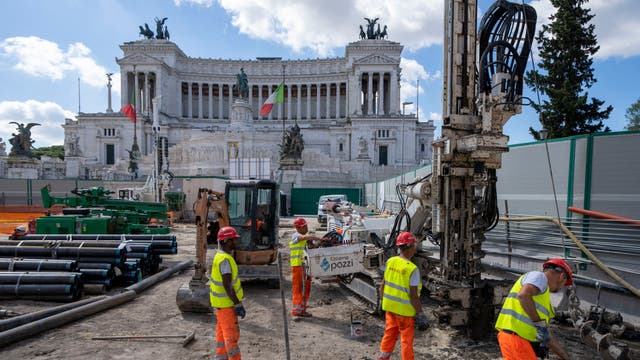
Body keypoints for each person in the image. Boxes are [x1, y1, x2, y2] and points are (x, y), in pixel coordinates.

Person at [495, 258, 573, 360]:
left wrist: (564, 355)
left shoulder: (542, 297)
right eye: (564, 284)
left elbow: (545, 333)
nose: (561, 288)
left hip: (518, 341)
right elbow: (523, 295)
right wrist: (539, 324)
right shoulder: (539, 277)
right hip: (517, 339)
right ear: (562, 276)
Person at [378, 231, 429, 360]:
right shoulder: (412, 269)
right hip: (405, 313)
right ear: (410, 246)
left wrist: (382, 301)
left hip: (390, 308)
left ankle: (383, 357)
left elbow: (382, 285)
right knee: (406, 341)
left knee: (389, 334)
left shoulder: (391, 261)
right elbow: (413, 296)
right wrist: (421, 314)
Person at [210, 226, 246, 360]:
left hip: (220, 305)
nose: (236, 242)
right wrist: (238, 304)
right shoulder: (225, 260)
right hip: (227, 305)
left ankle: (221, 356)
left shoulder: (218, 256)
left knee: (222, 333)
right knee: (231, 336)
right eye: (234, 239)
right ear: (228, 241)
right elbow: (227, 285)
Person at [290, 217, 324, 318]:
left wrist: (320, 242)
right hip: (297, 266)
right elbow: (302, 238)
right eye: (305, 226)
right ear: (299, 228)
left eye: (306, 226)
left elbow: (313, 246)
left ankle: (303, 310)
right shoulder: (295, 235)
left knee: (306, 288)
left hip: (307, 267)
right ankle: (296, 312)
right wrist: (315, 238)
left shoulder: (306, 239)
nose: (306, 228)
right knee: (298, 289)